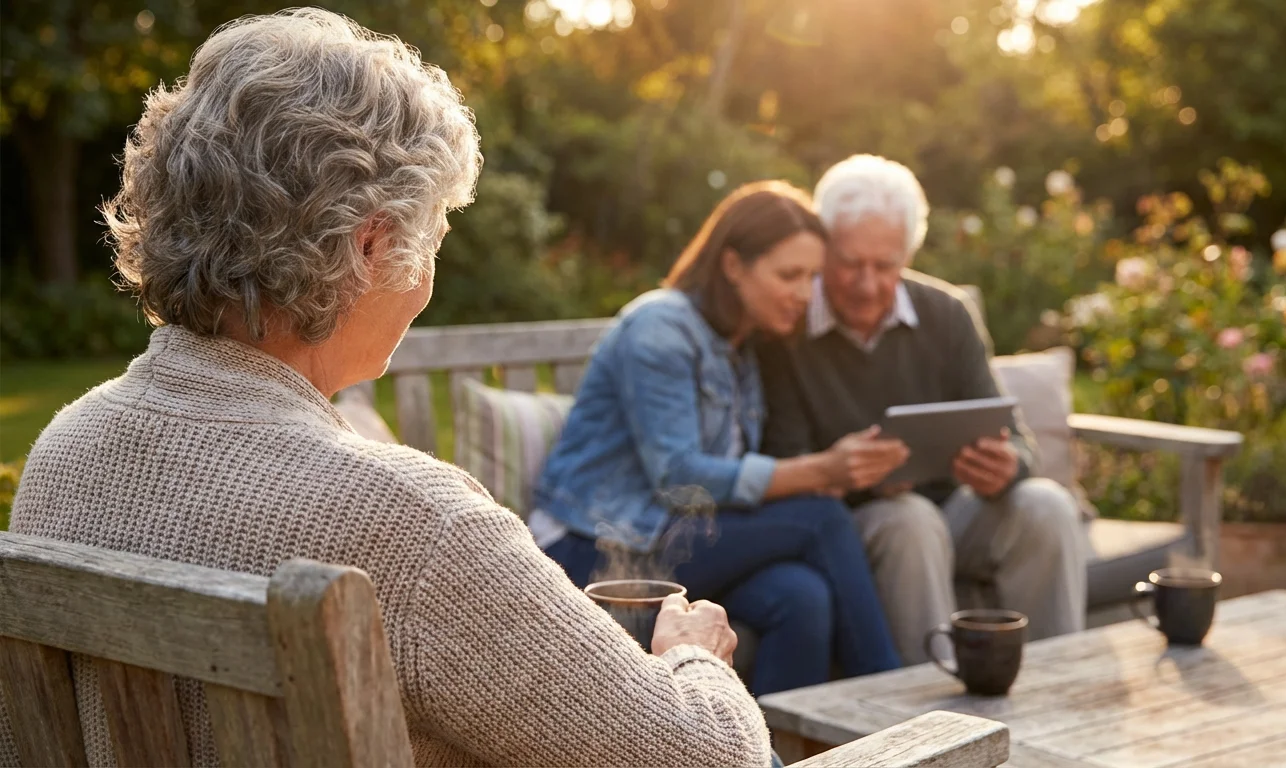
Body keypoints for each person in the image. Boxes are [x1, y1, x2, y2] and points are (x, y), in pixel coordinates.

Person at [5, 10, 773, 767]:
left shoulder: (61, 456)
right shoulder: (414, 528)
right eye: (436, 232)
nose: (430, 269)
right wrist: (694, 657)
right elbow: (707, 757)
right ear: (371, 246)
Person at [532, 181, 907, 695]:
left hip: (677, 541)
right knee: (822, 520)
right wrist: (822, 471)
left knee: (802, 597)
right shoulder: (661, 326)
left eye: (811, 277)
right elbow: (678, 477)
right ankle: (891, 705)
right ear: (733, 265)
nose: (804, 294)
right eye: (789, 275)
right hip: (599, 549)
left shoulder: (741, 345)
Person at [759, 155, 1087, 665]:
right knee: (908, 520)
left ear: (907, 256)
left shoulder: (947, 314)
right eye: (850, 263)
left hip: (954, 513)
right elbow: (782, 458)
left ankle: (1057, 688)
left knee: (1047, 505)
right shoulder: (788, 325)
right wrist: (856, 477)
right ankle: (931, 722)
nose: (867, 284)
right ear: (824, 250)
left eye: (885, 266)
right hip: (858, 524)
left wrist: (1008, 466)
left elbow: (1019, 440)